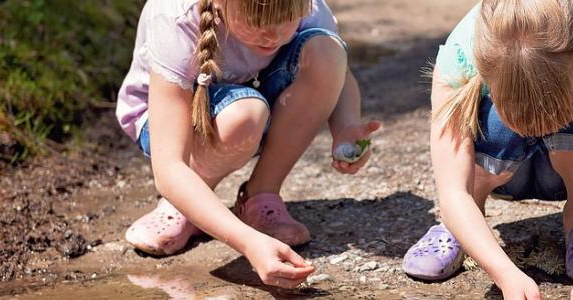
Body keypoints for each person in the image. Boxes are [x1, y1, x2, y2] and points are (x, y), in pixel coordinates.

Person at [401, 0, 573, 298]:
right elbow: (453, 191)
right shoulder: (460, 55)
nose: (537, 132)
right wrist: (505, 274)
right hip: (496, 170)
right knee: (479, 118)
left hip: (570, 172)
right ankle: (460, 226)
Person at [115, 0, 378, 288]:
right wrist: (249, 243)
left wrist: (345, 126)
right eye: (257, 22)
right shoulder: (176, 16)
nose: (274, 35)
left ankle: (260, 196)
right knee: (244, 116)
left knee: (327, 51)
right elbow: (169, 167)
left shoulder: (306, 4)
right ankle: (186, 204)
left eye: (286, 19)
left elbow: (338, 70)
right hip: (168, 123)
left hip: (256, 100)